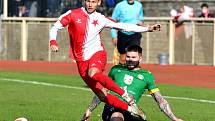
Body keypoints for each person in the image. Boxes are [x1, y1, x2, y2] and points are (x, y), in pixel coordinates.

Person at [49, 0, 161, 118]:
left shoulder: (101, 19)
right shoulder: (72, 14)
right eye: (88, 1)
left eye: (93, 1)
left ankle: (125, 95)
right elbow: (55, 27)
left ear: (98, 2)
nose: (90, 4)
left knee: (93, 73)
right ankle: (132, 109)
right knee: (102, 95)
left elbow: (124, 26)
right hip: (81, 60)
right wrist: (53, 41)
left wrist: (147, 28)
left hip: (97, 53)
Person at [81, 45, 183, 121]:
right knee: (117, 117)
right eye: (128, 57)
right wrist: (90, 109)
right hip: (112, 107)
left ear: (140, 58)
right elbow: (102, 91)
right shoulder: (116, 70)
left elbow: (160, 100)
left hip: (132, 109)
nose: (130, 60)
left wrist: (174, 118)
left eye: (133, 57)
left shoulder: (147, 76)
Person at [111, 0, 144, 65]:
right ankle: (121, 72)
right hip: (123, 34)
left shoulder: (139, 5)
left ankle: (134, 73)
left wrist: (140, 22)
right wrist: (114, 35)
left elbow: (141, 18)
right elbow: (113, 20)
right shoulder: (120, 5)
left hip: (135, 34)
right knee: (123, 58)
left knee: (134, 55)